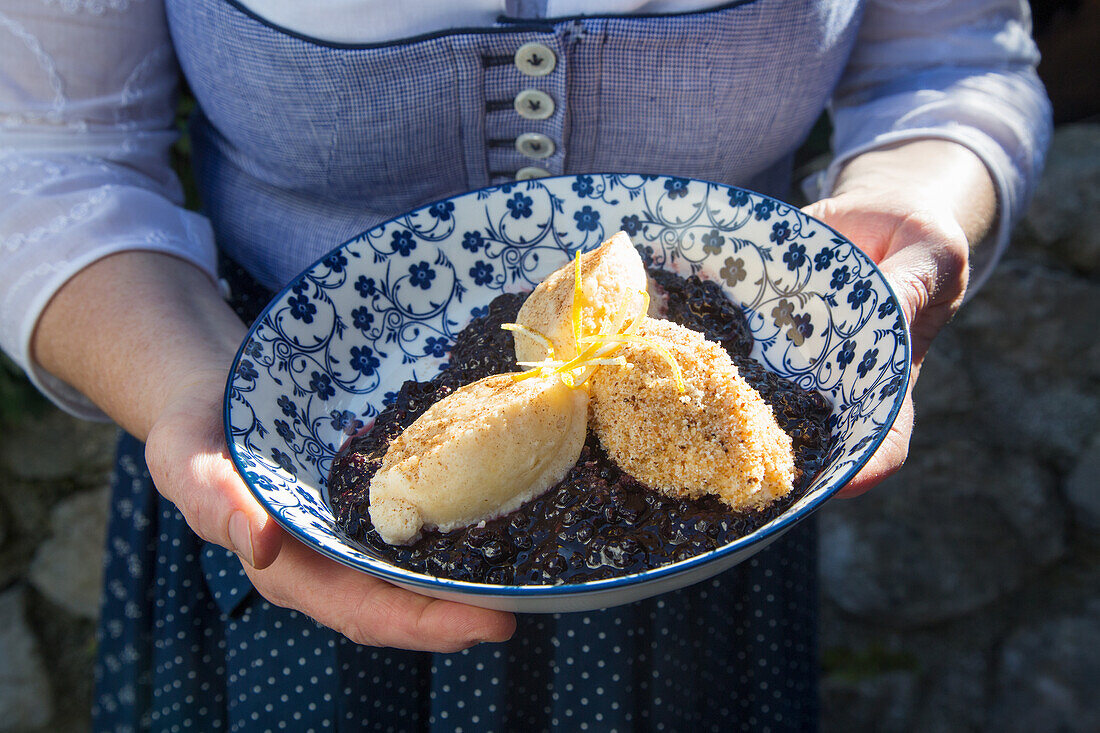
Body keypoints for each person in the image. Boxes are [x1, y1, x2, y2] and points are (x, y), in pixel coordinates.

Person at [0, 0, 1050, 730]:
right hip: (275, 475)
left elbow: (949, 62)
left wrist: (918, 204)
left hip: (711, 556)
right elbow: (47, 153)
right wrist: (189, 388)